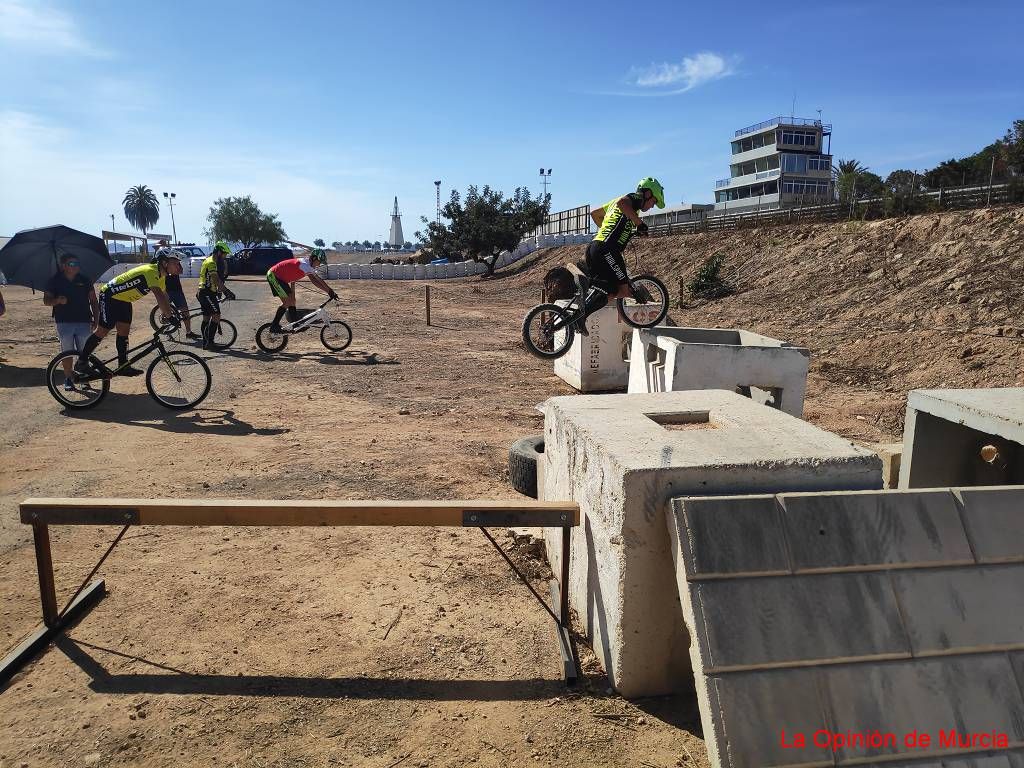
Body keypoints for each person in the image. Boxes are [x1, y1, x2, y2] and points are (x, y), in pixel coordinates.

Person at [575, 177, 665, 335]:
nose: (652, 206)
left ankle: (581, 311)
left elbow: (595, 214)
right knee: (623, 291)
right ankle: (586, 292)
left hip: (594, 247)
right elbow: (622, 204)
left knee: (608, 289)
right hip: (607, 250)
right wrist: (639, 224)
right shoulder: (635, 199)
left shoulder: (620, 207)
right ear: (648, 194)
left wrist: (610, 229)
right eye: (653, 202)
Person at [75, 251, 180, 377]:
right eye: (175, 263)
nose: (178, 266)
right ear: (164, 262)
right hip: (110, 295)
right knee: (103, 330)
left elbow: (165, 296)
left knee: (124, 331)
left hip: (124, 300)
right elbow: (159, 296)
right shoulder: (150, 271)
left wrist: (172, 313)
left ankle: (123, 366)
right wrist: (169, 316)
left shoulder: (161, 276)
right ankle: (82, 361)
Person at [44, 253, 99, 391]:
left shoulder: (85, 280)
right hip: (64, 322)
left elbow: (93, 300)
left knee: (84, 353)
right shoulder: (54, 281)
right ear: (63, 266)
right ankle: (69, 378)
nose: (75, 266)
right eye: (72, 264)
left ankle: (85, 379)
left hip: (84, 321)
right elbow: (46, 300)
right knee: (67, 352)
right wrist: (57, 301)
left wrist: (97, 319)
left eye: (77, 263)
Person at [266, 248, 336, 332]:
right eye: (319, 261)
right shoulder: (304, 265)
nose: (319, 264)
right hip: (273, 276)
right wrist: (329, 291)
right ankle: (274, 325)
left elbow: (317, 280)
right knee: (287, 302)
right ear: (313, 258)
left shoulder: (308, 266)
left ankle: (295, 324)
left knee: (292, 301)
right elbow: (315, 281)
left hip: (281, 278)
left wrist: (330, 291)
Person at [155, 240, 200, 341]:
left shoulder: (173, 260)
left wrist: (175, 267)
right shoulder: (159, 261)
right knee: (166, 312)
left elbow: (181, 271)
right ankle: (168, 333)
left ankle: (188, 332)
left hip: (177, 289)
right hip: (166, 290)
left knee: (185, 311)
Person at [196, 242, 230, 349]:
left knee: (206, 318)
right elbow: (215, 279)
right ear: (219, 252)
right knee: (216, 316)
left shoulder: (210, 260)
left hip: (203, 292)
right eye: (224, 254)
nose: (225, 257)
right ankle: (209, 342)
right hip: (207, 293)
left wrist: (219, 292)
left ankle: (205, 343)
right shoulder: (211, 262)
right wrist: (227, 291)